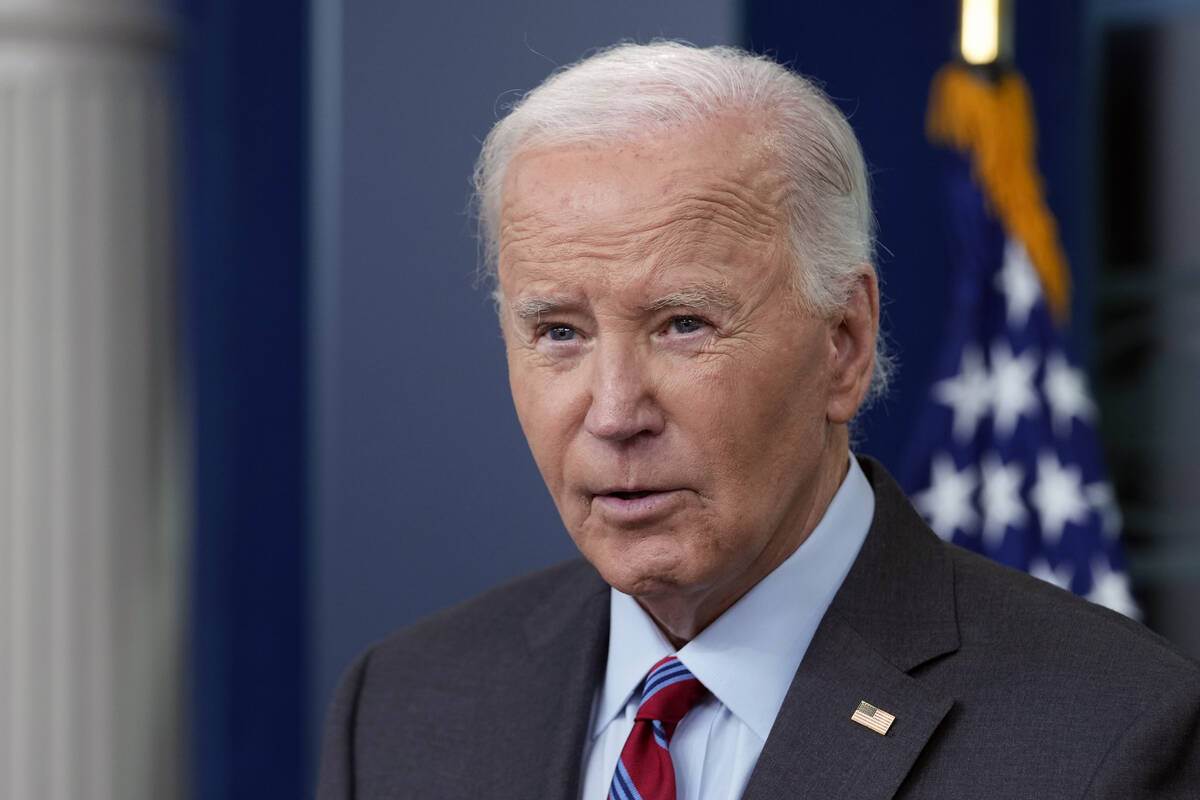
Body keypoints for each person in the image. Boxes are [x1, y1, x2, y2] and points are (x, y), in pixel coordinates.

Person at [317, 42, 1200, 799]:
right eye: (559, 332)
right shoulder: (405, 708)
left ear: (844, 344)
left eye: (683, 325)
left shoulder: (1105, 736)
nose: (615, 412)